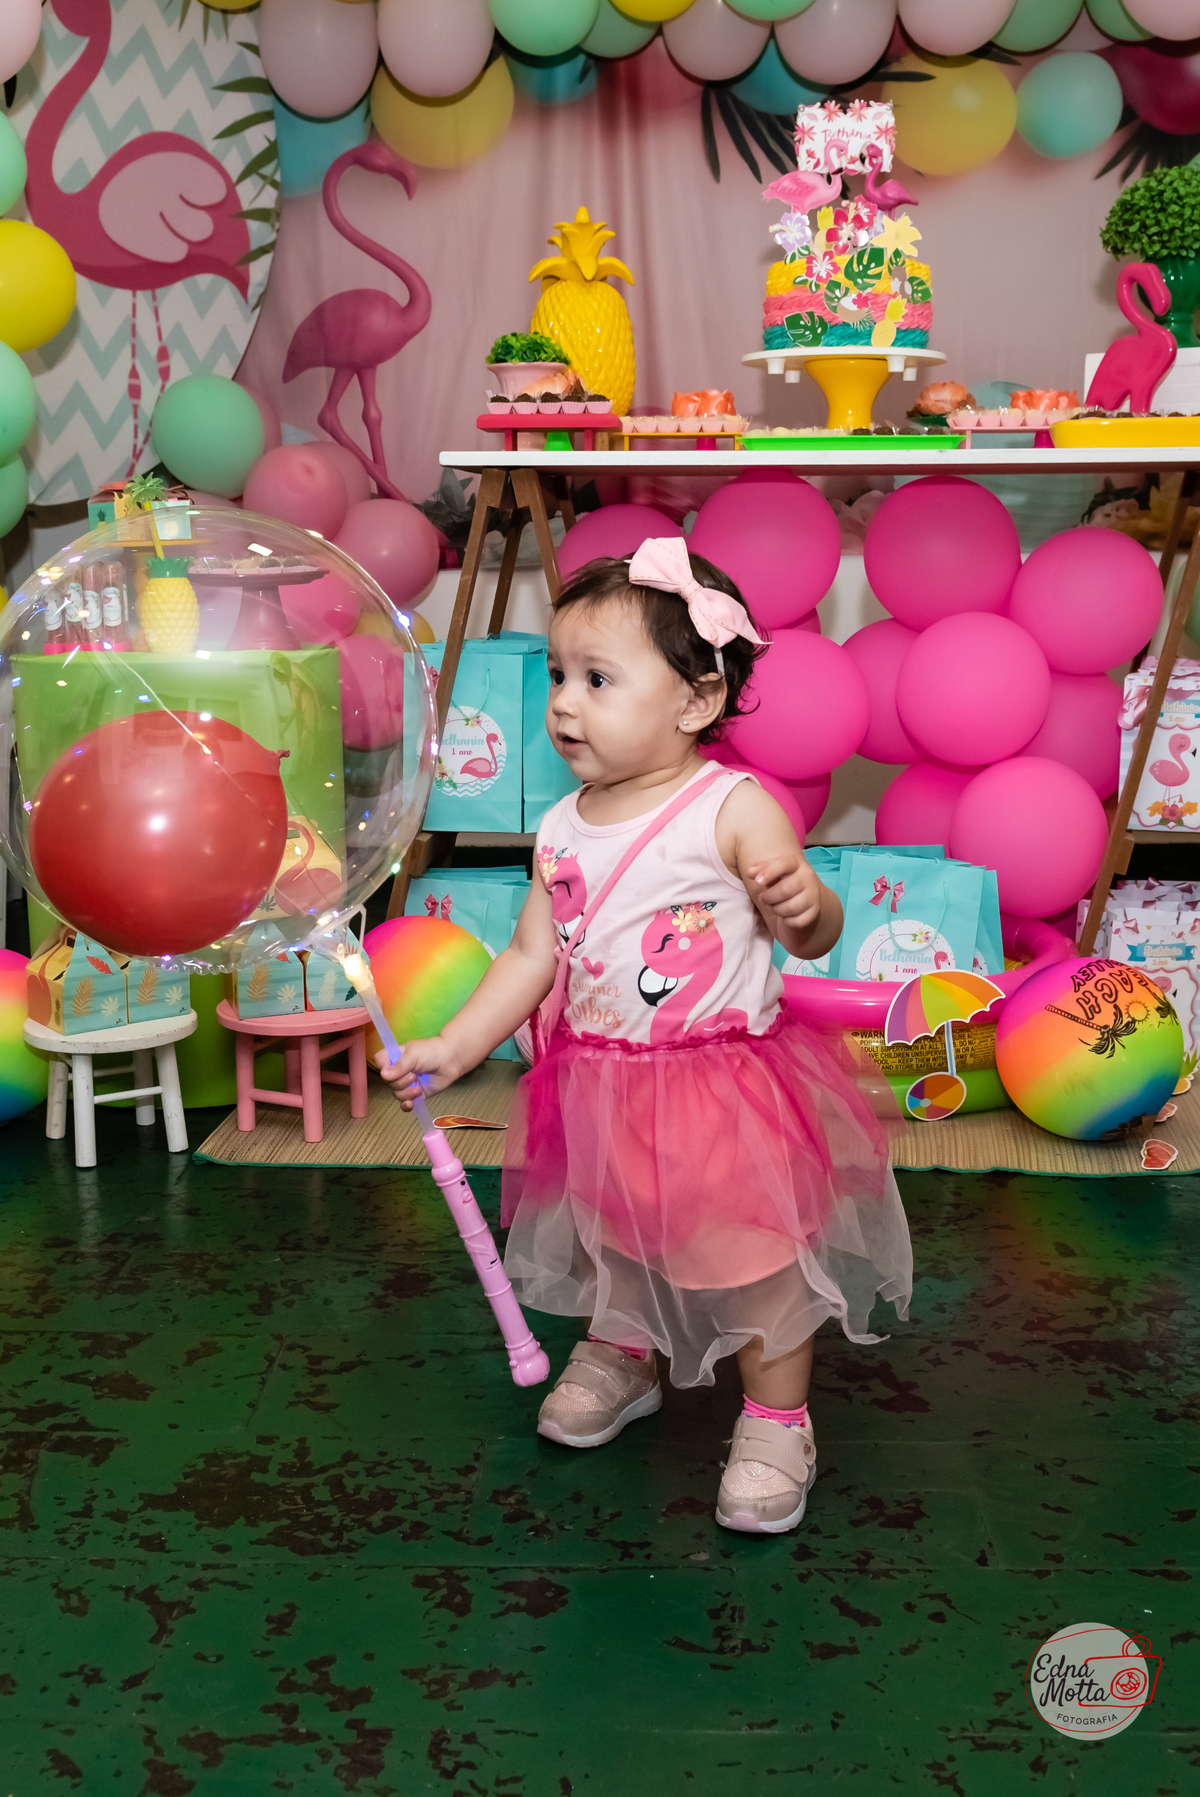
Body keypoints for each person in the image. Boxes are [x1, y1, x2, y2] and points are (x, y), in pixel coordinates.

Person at [380, 539, 912, 1534]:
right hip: (601, 1083)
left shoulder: (733, 808)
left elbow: (810, 934)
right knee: (616, 1233)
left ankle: (776, 1419)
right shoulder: (562, 827)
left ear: (696, 701)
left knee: (753, 1255)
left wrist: (807, 907)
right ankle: (627, 1353)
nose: (564, 704)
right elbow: (532, 954)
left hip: (720, 1088)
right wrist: (456, 1045)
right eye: (558, 675)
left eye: (598, 679)